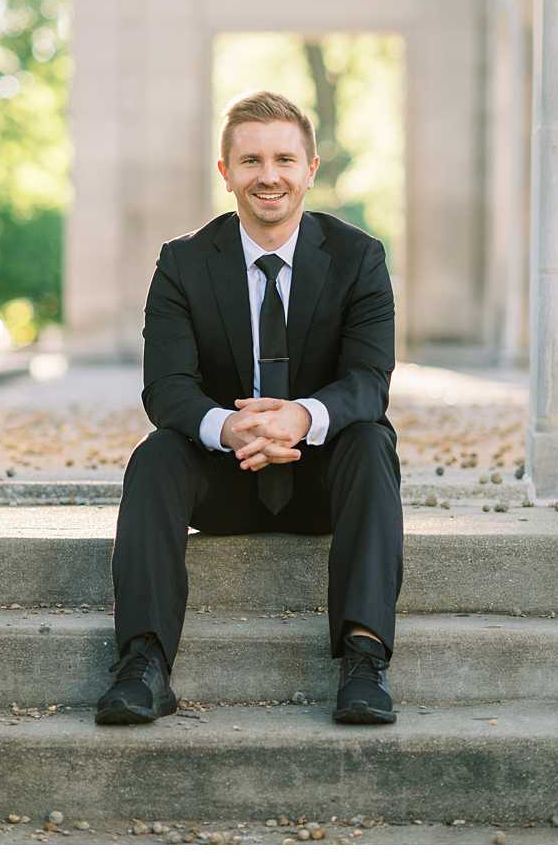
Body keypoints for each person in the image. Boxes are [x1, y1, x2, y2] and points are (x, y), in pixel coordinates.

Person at [96, 90, 404, 727]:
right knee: (155, 456)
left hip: (324, 480)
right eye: (252, 160)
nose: (269, 176)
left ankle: (364, 658)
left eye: (285, 159)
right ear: (226, 171)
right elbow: (168, 389)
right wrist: (231, 427)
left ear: (311, 169)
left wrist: (300, 418)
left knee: (373, 439)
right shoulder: (182, 263)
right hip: (225, 480)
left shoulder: (359, 258)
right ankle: (143, 664)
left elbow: (369, 380)